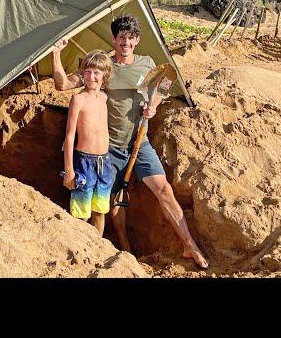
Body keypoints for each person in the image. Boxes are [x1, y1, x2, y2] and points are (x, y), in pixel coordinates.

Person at [52, 15, 208, 269]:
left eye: (130, 37)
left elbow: (166, 82)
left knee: (164, 190)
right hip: (107, 149)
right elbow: (62, 84)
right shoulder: (103, 66)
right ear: (113, 39)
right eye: (121, 37)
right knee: (110, 200)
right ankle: (124, 248)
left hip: (139, 142)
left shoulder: (147, 64)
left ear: (137, 40)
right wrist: (57, 54)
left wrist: (154, 106)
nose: (125, 41)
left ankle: (189, 244)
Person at [62, 50, 113, 237]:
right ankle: (78, 248)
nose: (92, 76)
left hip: (104, 161)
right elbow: (69, 137)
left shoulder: (104, 98)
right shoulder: (78, 99)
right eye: (88, 71)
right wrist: (69, 170)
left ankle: (98, 247)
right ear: (82, 74)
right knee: (81, 212)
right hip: (84, 162)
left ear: (104, 76)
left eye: (97, 72)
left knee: (100, 210)